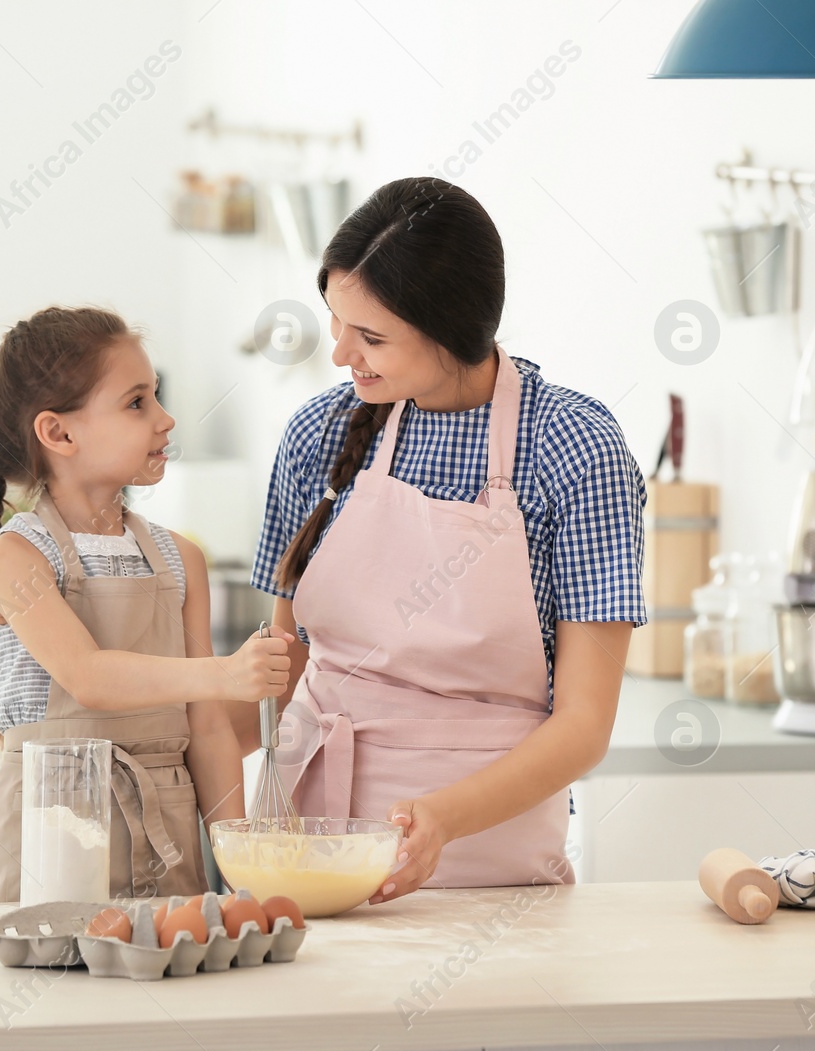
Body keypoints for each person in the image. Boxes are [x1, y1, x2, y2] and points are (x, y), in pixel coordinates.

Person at [238, 177, 647, 903]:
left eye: (370, 337)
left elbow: (584, 723)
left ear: (451, 328)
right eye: (336, 323)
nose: (340, 355)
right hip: (307, 861)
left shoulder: (575, 449)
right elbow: (276, 668)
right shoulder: (318, 434)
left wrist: (441, 820)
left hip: (493, 871)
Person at [0, 306, 292, 905]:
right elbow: (90, 676)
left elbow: (206, 731)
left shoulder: (180, 560)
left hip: (167, 852)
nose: (165, 418)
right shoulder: (16, 559)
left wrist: (239, 869)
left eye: (155, 397)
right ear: (60, 433)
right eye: (137, 403)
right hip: (44, 848)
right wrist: (226, 672)